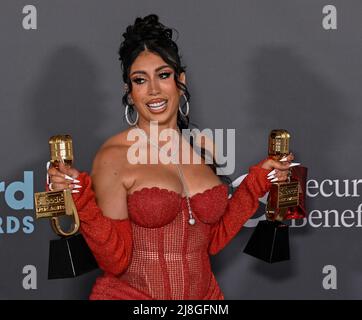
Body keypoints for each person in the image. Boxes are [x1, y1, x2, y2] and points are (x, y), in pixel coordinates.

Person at [47, 14, 296, 300]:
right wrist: (81, 200)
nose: (154, 90)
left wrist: (257, 182)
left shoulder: (202, 149)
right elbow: (115, 260)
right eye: (140, 80)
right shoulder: (114, 156)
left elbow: (211, 242)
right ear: (129, 93)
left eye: (163, 75)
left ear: (180, 80)